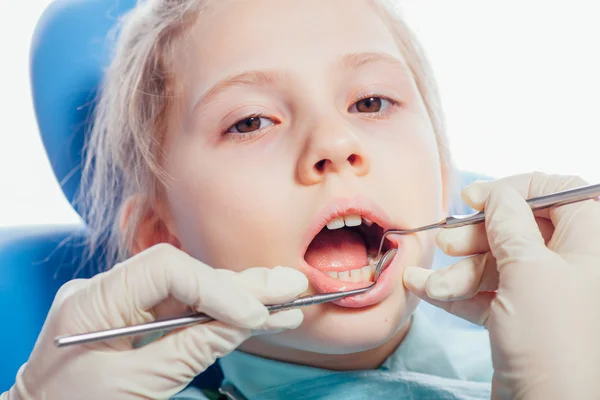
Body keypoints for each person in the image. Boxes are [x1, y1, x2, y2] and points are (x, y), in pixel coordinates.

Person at [2, 0, 599, 399]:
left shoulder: (563, 351)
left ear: (441, 173)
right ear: (164, 239)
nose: (336, 142)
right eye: (252, 121)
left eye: (370, 103)